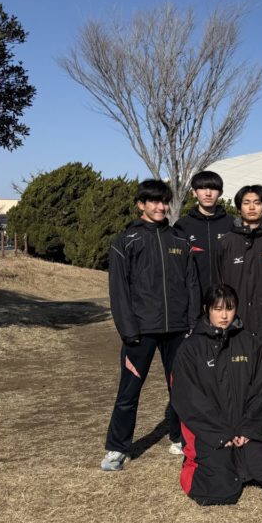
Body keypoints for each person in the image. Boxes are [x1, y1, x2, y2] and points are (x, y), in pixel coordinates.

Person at [101, 179, 200, 472]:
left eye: (164, 201)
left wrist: (192, 324)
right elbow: (118, 290)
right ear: (141, 205)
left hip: (178, 331)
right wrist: (128, 330)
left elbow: (192, 286)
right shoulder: (126, 242)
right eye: (154, 202)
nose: (160, 207)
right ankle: (116, 449)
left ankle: (181, 439)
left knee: (181, 389)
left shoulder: (180, 242)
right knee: (129, 392)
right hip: (140, 332)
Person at [170, 284, 262, 504]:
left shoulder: (249, 343)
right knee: (220, 489)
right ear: (206, 310)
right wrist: (222, 433)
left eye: (229, 309)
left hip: (244, 428)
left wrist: (247, 429)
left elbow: (260, 390)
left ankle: (248, 458)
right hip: (213, 431)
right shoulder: (191, 348)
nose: (223, 315)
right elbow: (189, 399)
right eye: (217, 309)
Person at [214, 184, 262, 433]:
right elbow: (218, 283)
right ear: (239, 207)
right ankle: (239, 423)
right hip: (237, 322)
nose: (251, 207)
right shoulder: (226, 242)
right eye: (246, 202)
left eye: (257, 202)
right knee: (238, 372)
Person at [173, 170, 234, 300]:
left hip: (226, 298)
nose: (208, 193)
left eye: (213, 188)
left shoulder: (232, 224)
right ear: (194, 193)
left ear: (221, 192)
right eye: (202, 188)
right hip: (193, 297)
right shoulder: (182, 226)